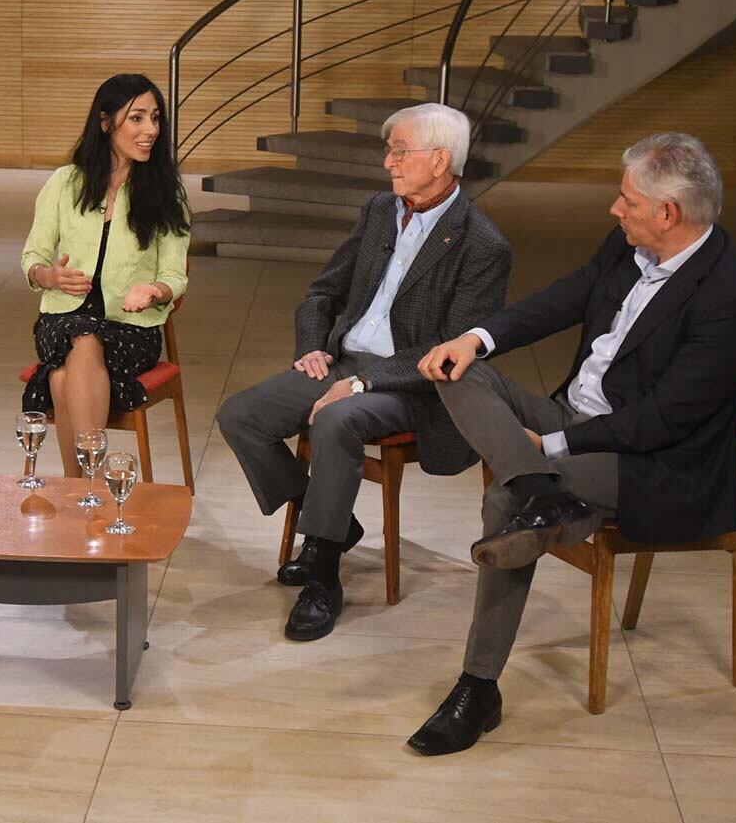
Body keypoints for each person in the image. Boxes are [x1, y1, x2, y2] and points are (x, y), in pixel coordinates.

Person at [409, 132, 736, 755]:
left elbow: (660, 422)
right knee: (458, 370)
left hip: (649, 463)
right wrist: (477, 337)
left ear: (668, 213)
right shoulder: (627, 245)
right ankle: (544, 495)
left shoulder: (731, 300)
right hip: (573, 419)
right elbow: (563, 299)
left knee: (502, 508)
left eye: (626, 200)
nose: (614, 210)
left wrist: (548, 444)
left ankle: (477, 687)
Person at [216, 103, 513, 641]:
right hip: (343, 361)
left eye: (400, 151)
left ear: (440, 159)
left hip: (410, 383)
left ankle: (323, 576)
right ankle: (330, 520)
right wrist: (313, 348)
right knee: (241, 414)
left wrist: (364, 382)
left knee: (336, 421)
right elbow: (322, 291)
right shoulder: (381, 210)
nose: (387, 162)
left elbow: (449, 353)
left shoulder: (483, 245)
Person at [20, 73, 190, 475]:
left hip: (131, 328)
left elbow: (176, 274)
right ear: (105, 123)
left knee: (63, 376)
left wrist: (155, 289)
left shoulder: (168, 194)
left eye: (155, 118)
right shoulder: (64, 183)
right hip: (62, 319)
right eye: (136, 118)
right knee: (80, 336)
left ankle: (78, 488)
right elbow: (33, 256)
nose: (150, 129)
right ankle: (90, 493)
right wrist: (49, 277)